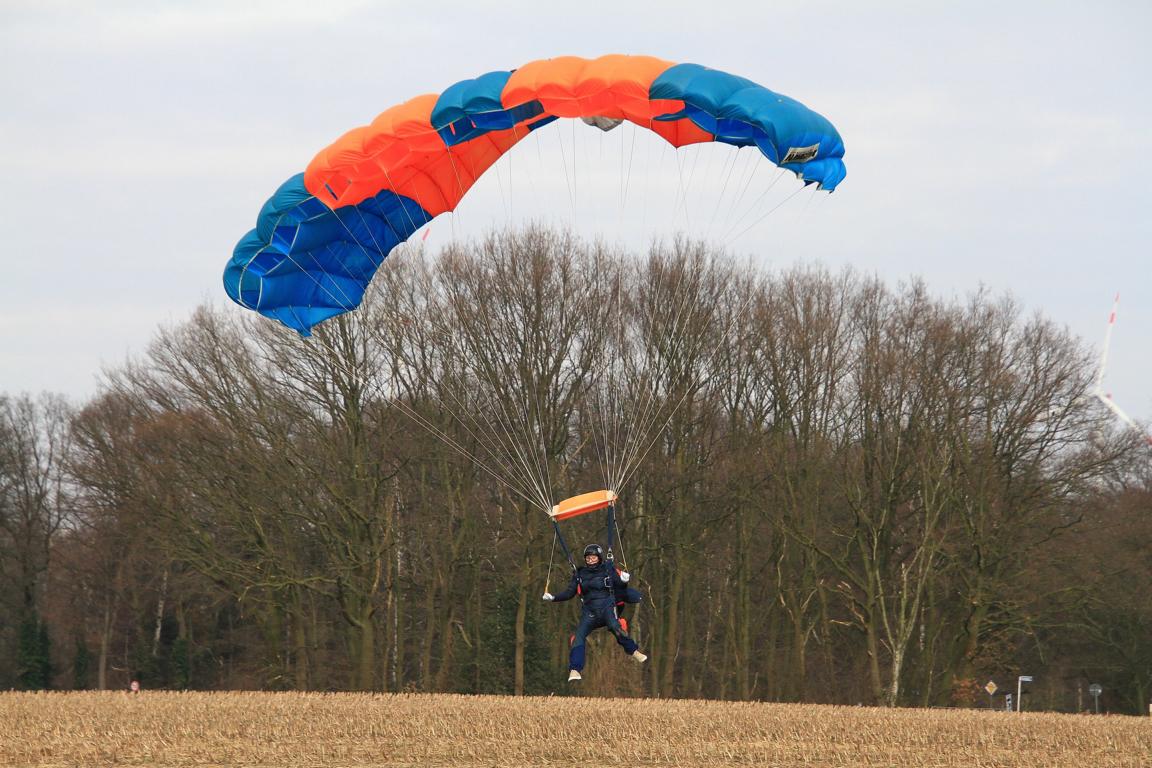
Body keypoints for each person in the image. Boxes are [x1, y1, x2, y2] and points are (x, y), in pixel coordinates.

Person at [543, 543, 648, 682]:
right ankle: (575, 670)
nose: (590, 560)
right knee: (578, 636)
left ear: (599, 558)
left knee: (615, 627)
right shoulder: (580, 574)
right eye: (588, 558)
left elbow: (619, 587)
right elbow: (569, 593)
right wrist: (554, 598)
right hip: (590, 611)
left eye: (593, 558)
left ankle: (634, 651)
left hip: (607, 607)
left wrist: (623, 581)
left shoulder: (608, 569)